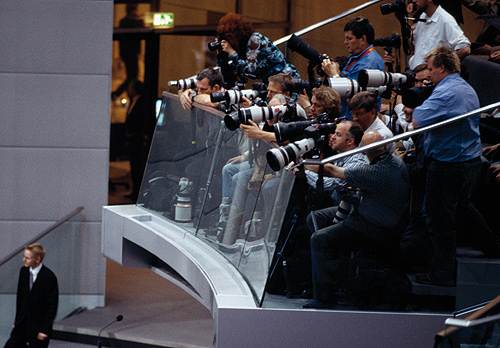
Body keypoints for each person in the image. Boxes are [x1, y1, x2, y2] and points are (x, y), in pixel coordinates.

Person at [412, 46, 500, 286]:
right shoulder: (464, 87)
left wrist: (419, 102)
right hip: (467, 160)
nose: (428, 75)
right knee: (462, 206)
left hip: (449, 165)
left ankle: (442, 274)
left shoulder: (446, 93)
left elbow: (417, 120)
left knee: (439, 219)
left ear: (442, 67)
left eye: (430, 69)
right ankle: (493, 246)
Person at [304, 131, 410, 309]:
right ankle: (332, 274)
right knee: (315, 218)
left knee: (318, 239)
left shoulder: (376, 171)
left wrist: (303, 165)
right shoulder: (395, 162)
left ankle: (324, 298)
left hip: (374, 226)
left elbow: (330, 170)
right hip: (372, 212)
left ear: (362, 151)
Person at [321, 16, 385, 119]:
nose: (345, 42)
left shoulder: (368, 64)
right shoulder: (357, 57)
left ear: (363, 39)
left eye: (349, 38)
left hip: (357, 121)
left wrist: (334, 75)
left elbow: (355, 100)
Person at [216, 12, 299, 86]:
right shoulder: (241, 47)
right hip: (272, 83)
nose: (229, 42)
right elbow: (229, 71)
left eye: (230, 38)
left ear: (237, 35)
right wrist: (220, 54)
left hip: (287, 81)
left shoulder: (255, 40)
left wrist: (232, 52)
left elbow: (250, 70)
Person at [5, 243, 58, 348]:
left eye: (27, 258)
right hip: (22, 324)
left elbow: (52, 305)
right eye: (24, 256)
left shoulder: (49, 276)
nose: (24, 259)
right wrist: (16, 321)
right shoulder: (23, 272)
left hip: (39, 327)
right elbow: (20, 299)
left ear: (37, 259)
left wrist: (45, 330)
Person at [305, 120, 368, 206]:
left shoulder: (357, 161)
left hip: (349, 210)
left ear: (350, 141)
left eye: (338, 135)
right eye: (334, 133)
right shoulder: (341, 154)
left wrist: (304, 168)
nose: (333, 137)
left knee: (314, 216)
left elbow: (325, 185)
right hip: (336, 203)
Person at [408, 0, 471, 70]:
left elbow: (465, 49)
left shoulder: (445, 20)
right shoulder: (423, 17)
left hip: (432, 78)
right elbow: (413, 48)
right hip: (417, 75)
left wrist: (441, 68)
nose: (413, 1)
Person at [124, 80, 155, 201]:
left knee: (138, 167)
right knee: (133, 166)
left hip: (138, 140)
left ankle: (139, 193)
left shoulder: (142, 103)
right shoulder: (132, 101)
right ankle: (134, 190)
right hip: (131, 139)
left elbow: (142, 121)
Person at [112, 4, 144, 100]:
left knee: (131, 77)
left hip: (126, 53)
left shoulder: (123, 21)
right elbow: (141, 28)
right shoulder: (135, 21)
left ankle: (121, 94)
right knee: (132, 77)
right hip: (132, 53)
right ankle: (117, 94)